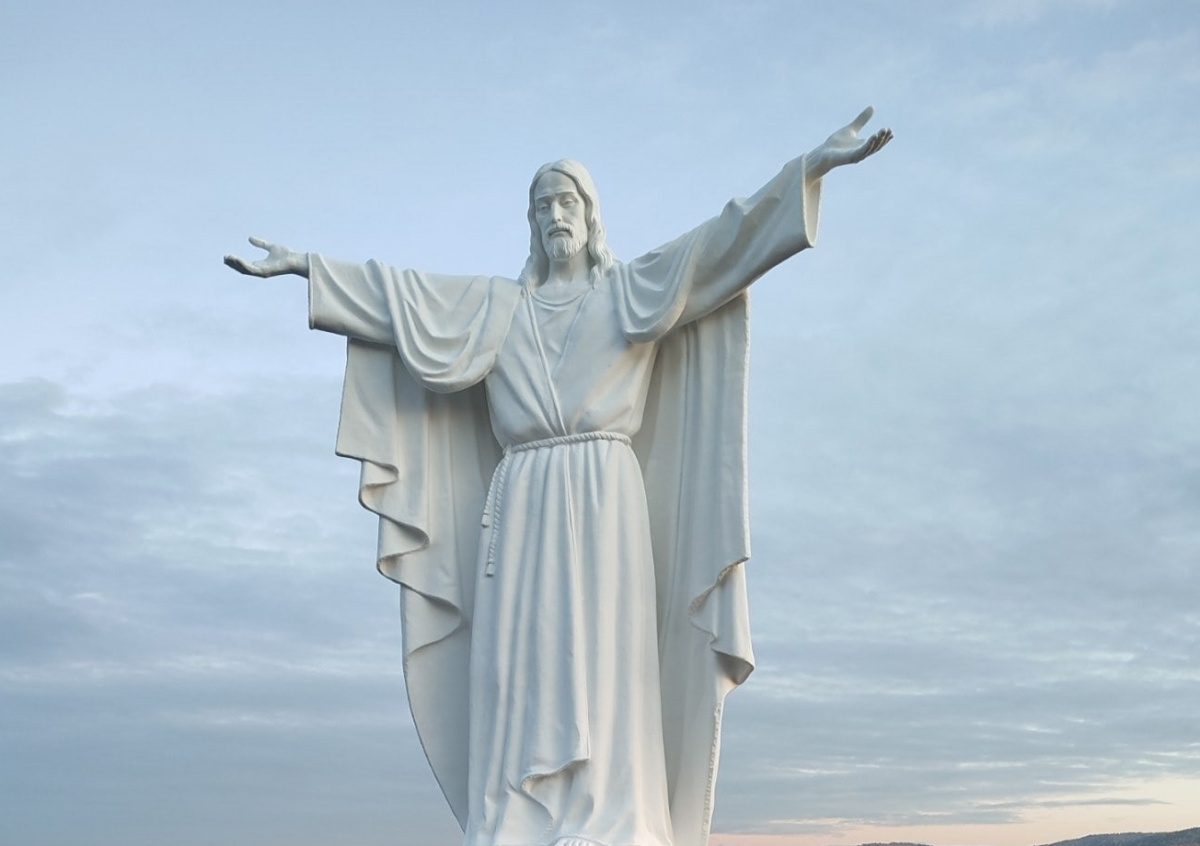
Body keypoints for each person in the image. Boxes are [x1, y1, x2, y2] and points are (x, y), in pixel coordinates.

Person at [225, 108, 891, 846]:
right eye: (542, 205)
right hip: (522, 499)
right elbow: (398, 298)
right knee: (519, 661)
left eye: (566, 201)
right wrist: (307, 267)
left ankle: (613, 812)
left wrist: (810, 167)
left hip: (605, 493)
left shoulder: (631, 291)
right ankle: (518, 814)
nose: (554, 215)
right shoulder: (496, 310)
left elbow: (724, 242)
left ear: (591, 213)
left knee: (608, 659)